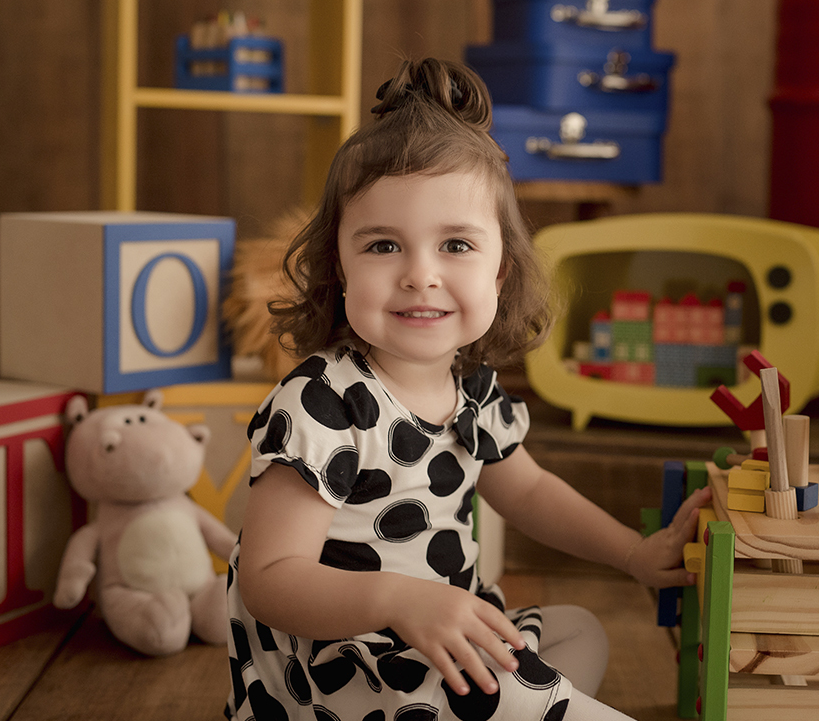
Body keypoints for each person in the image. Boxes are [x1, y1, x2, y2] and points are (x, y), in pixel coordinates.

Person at [226, 57, 711, 721]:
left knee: (578, 633)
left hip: (437, 645)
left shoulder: (472, 390)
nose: (420, 276)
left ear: (500, 271)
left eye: (455, 246)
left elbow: (530, 490)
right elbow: (269, 581)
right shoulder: (321, 402)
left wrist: (632, 553)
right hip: (350, 671)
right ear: (338, 266)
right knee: (550, 697)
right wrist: (401, 601)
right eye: (382, 247)